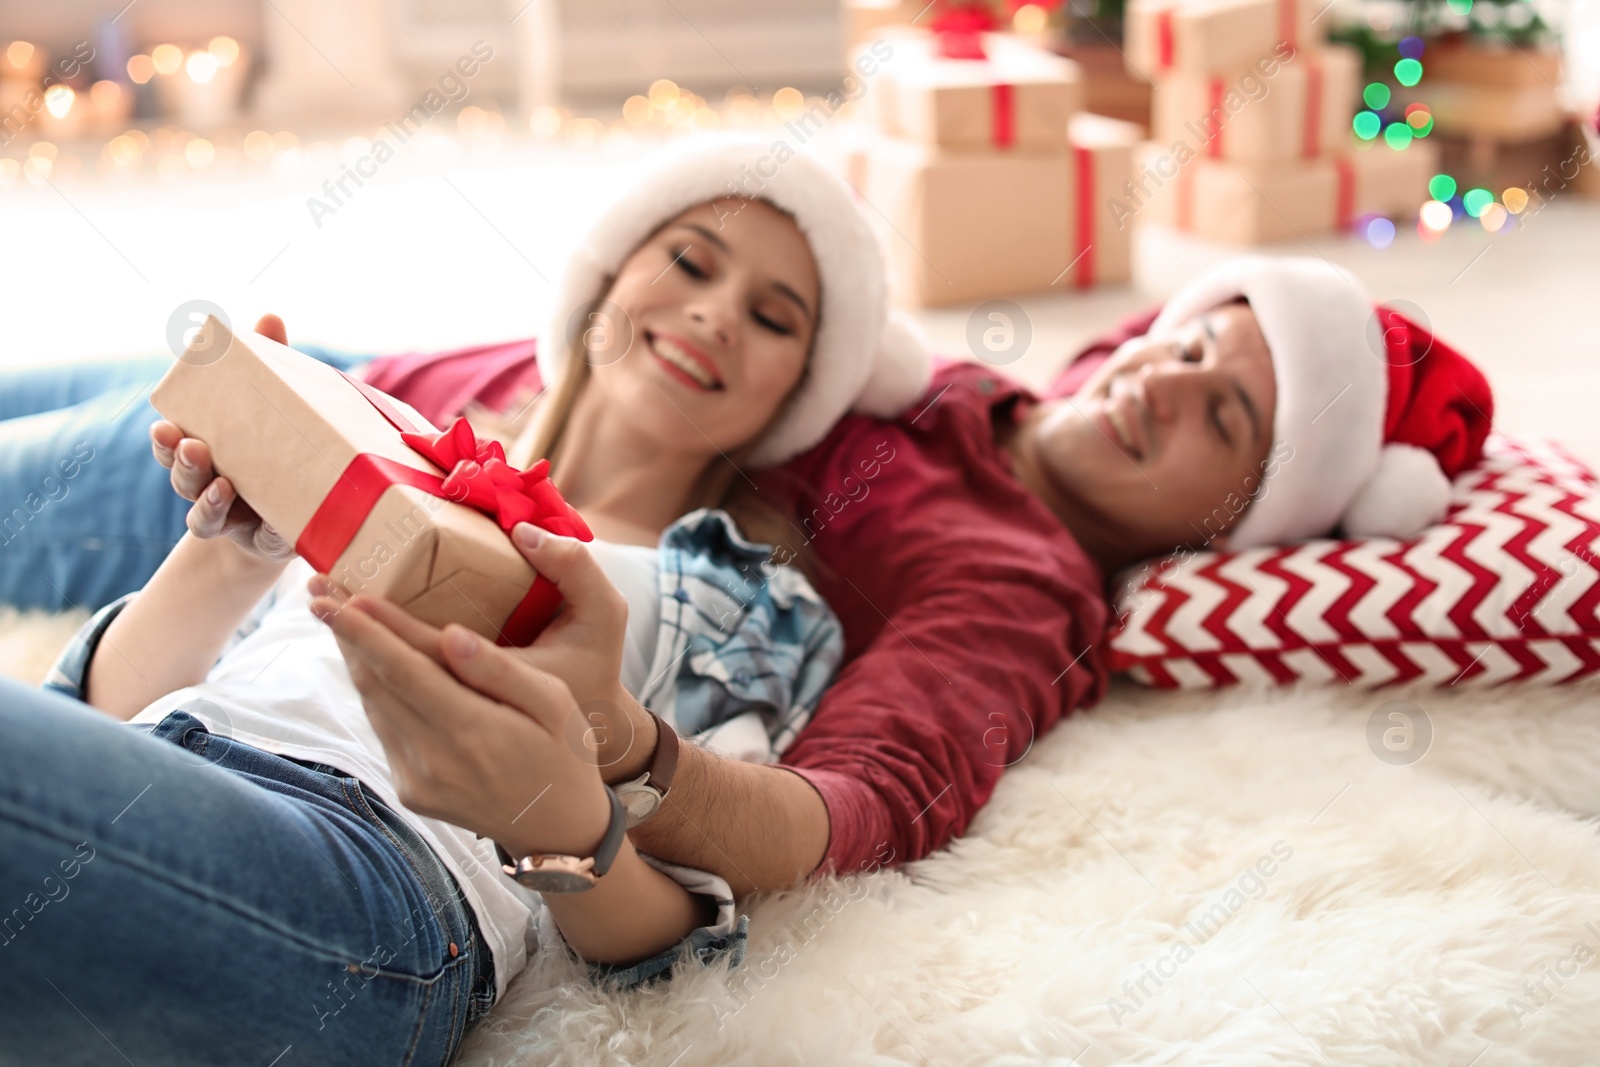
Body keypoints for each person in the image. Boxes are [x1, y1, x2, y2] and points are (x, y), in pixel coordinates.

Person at [0, 135, 932, 1064]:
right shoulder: (399, 455)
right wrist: (236, 551)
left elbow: (674, 941)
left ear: (796, 395)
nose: (719, 313)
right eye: (690, 260)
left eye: (774, 318)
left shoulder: (744, 596)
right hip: (160, 773)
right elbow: (99, 716)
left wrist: (555, 814)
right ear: (605, 281)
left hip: (365, 884)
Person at [322, 254, 1493, 902]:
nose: (1166, 385)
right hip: (379, 392)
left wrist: (621, 749)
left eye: (1227, 417)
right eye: (1189, 343)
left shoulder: (1020, 588)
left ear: (1245, 519)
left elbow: (849, 809)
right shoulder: (939, 383)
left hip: (364, 531)